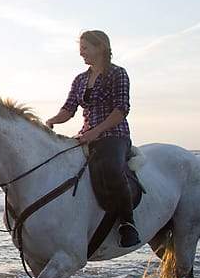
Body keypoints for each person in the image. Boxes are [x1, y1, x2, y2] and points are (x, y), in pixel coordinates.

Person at [44, 30, 141, 247]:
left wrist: (95, 132)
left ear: (101, 48)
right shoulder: (80, 79)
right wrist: (51, 121)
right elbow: (68, 110)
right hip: (86, 136)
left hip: (114, 136)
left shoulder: (118, 74)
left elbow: (121, 109)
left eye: (85, 48)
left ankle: (128, 223)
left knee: (112, 169)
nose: (82, 54)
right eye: (81, 49)